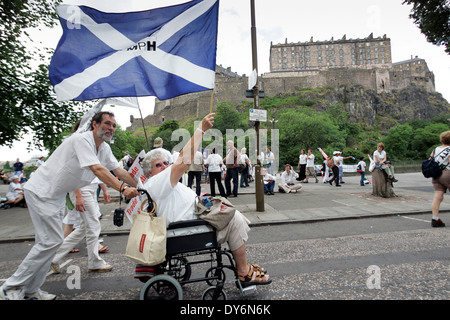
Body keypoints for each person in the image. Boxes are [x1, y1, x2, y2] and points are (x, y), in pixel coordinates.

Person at [0, 111, 140, 300]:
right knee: (49, 242)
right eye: (107, 123)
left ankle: (32, 290)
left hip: (55, 196)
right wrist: (123, 189)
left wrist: (142, 185)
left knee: (52, 242)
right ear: (94, 125)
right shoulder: (82, 140)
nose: (111, 128)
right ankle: (10, 288)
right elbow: (97, 169)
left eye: (114, 125)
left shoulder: (104, 148)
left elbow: (119, 170)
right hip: (42, 191)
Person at [140, 113, 271, 287]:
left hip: (191, 220)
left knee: (231, 212)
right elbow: (183, 161)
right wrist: (201, 129)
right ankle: (243, 273)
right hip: (189, 230)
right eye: (159, 165)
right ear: (149, 172)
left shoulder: (156, 183)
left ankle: (243, 267)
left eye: (166, 162)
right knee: (235, 219)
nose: (164, 166)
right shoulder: (157, 182)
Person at [51, 179, 112, 274]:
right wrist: (78, 195)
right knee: (93, 225)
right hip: (82, 188)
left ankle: (54, 256)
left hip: (91, 187)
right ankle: (95, 263)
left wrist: (105, 189)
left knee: (84, 227)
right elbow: (74, 172)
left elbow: (100, 171)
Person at [430, 131, 450, 228]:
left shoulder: (436, 149)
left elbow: (430, 160)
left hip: (436, 174)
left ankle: (435, 218)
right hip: (447, 173)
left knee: (438, 196)